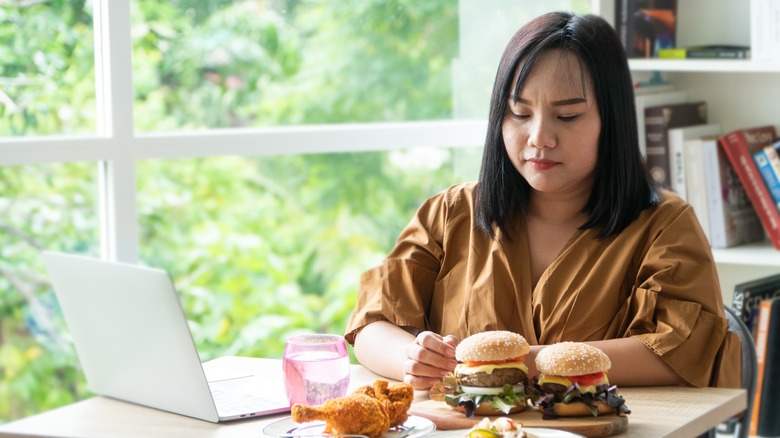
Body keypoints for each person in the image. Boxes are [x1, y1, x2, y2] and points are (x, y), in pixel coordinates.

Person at [344, 11, 741, 391]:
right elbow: (371, 324)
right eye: (519, 113)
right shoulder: (450, 213)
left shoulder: (665, 226)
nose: (539, 138)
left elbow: (680, 353)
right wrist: (412, 358)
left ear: (612, 120)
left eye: (567, 117)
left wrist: (518, 363)